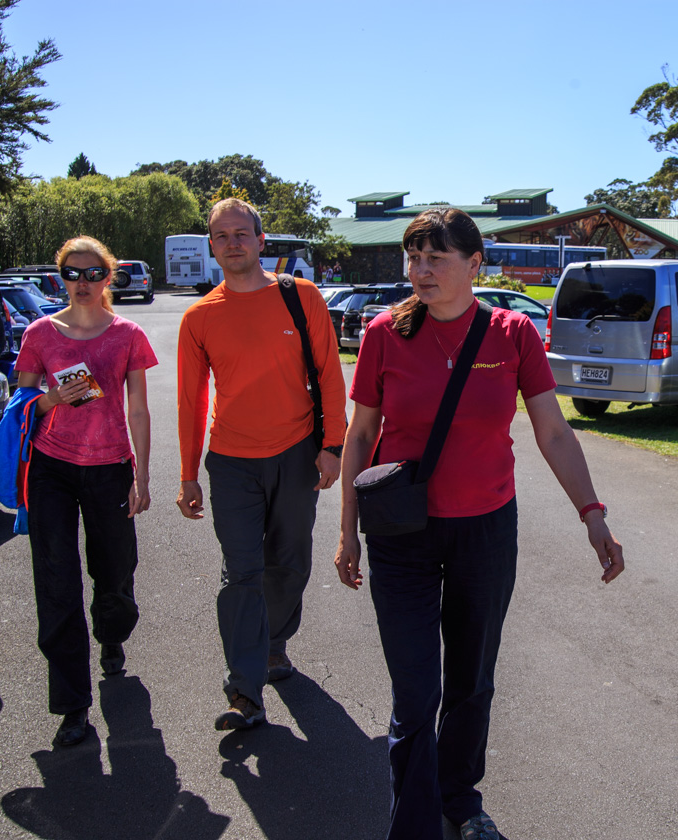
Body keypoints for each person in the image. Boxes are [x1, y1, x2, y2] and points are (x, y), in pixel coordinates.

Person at [334, 208, 624, 840]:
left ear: (474, 265)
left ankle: (460, 800)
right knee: (416, 691)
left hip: (485, 530)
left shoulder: (512, 333)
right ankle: (412, 827)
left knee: (470, 679)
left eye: (436, 257)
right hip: (400, 533)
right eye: (414, 257)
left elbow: (552, 430)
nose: (422, 270)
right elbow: (360, 437)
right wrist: (346, 530)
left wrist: (592, 514)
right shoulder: (384, 332)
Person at [177, 197, 347, 732]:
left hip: (296, 451)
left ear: (260, 241)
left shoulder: (301, 297)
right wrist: (187, 474)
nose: (232, 242)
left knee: (291, 562)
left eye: (241, 233)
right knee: (241, 572)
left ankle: (275, 643)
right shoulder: (199, 316)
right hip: (231, 462)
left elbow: (328, 374)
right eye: (221, 236)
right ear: (212, 246)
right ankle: (244, 689)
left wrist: (333, 445)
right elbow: (189, 400)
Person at [16, 235, 157, 748]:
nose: (82, 282)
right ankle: (72, 705)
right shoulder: (39, 333)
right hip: (51, 468)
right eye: (73, 274)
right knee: (56, 580)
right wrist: (53, 397)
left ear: (108, 278)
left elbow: (139, 408)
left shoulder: (128, 335)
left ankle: (112, 634)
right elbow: (23, 401)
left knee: (115, 572)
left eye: (93, 273)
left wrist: (142, 476)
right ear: (60, 278)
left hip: (109, 468)